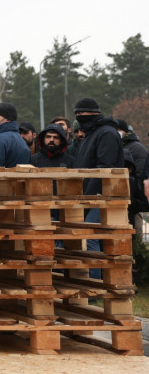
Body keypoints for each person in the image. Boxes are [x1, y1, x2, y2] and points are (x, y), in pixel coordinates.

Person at [73, 97, 124, 278]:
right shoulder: (90, 134)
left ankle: (95, 284)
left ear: (95, 113)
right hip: (88, 194)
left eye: (83, 113)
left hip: (101, 195)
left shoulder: (106, 133)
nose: (79, 116)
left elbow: (105, 167)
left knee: (91, 237)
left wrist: (92, 193)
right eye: (77, 113)